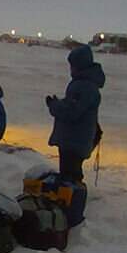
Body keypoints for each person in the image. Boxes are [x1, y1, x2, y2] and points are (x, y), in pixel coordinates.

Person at [46, 44, 105, 184]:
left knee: (70, 177)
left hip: (74, 141)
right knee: (71, 175)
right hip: (76, 140)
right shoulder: (86, 84)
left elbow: (71, 112)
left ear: (79, 65)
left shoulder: (84, 86)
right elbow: (74, 106)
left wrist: (54, 105)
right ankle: (71, 199)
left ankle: (72, 202)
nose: (70, 68)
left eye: (72, 65)